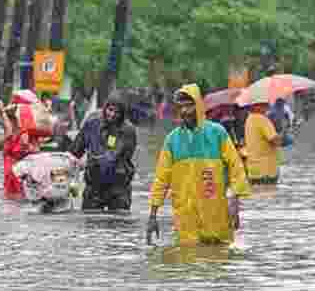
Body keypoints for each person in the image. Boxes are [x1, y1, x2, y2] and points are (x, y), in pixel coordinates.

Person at [147, 84, 251, 246]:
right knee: (188, 258)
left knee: (219, 257)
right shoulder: (172, 140)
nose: (184, 111)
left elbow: (236, 168)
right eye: (180, 107)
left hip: (216, 212)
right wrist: (152, 215)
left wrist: (235, 202)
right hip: (185, 217)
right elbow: (161, 179)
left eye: (189, 106)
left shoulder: (217, 133)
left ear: (198, 106)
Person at [69, 93, 137, 211]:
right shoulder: (92, 123)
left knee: (119, 224)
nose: (112, 114)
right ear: (105, 108)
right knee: (90, 221)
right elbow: (75, 150)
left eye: (117, 112)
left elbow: (114, 155)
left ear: (122, 114)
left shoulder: (127, 130)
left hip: (118, 187)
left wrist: (90, 160)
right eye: (110, 110)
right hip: (94, 185)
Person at [0, 103, 39, 200]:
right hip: (14, 165)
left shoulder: (23, 132)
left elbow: (34, 149)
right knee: (15, 193)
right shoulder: (13, 132)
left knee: (16, 193)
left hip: (16, 165)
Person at [243, 101, 283, 186]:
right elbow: (275, 140)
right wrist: (282, 136)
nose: (267, 106)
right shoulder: (262, 119)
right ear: (256, 106)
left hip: (254, 170)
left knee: (257, 196)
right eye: (264, 104)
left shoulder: (249, 119)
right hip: (266, 170)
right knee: (268, 195)